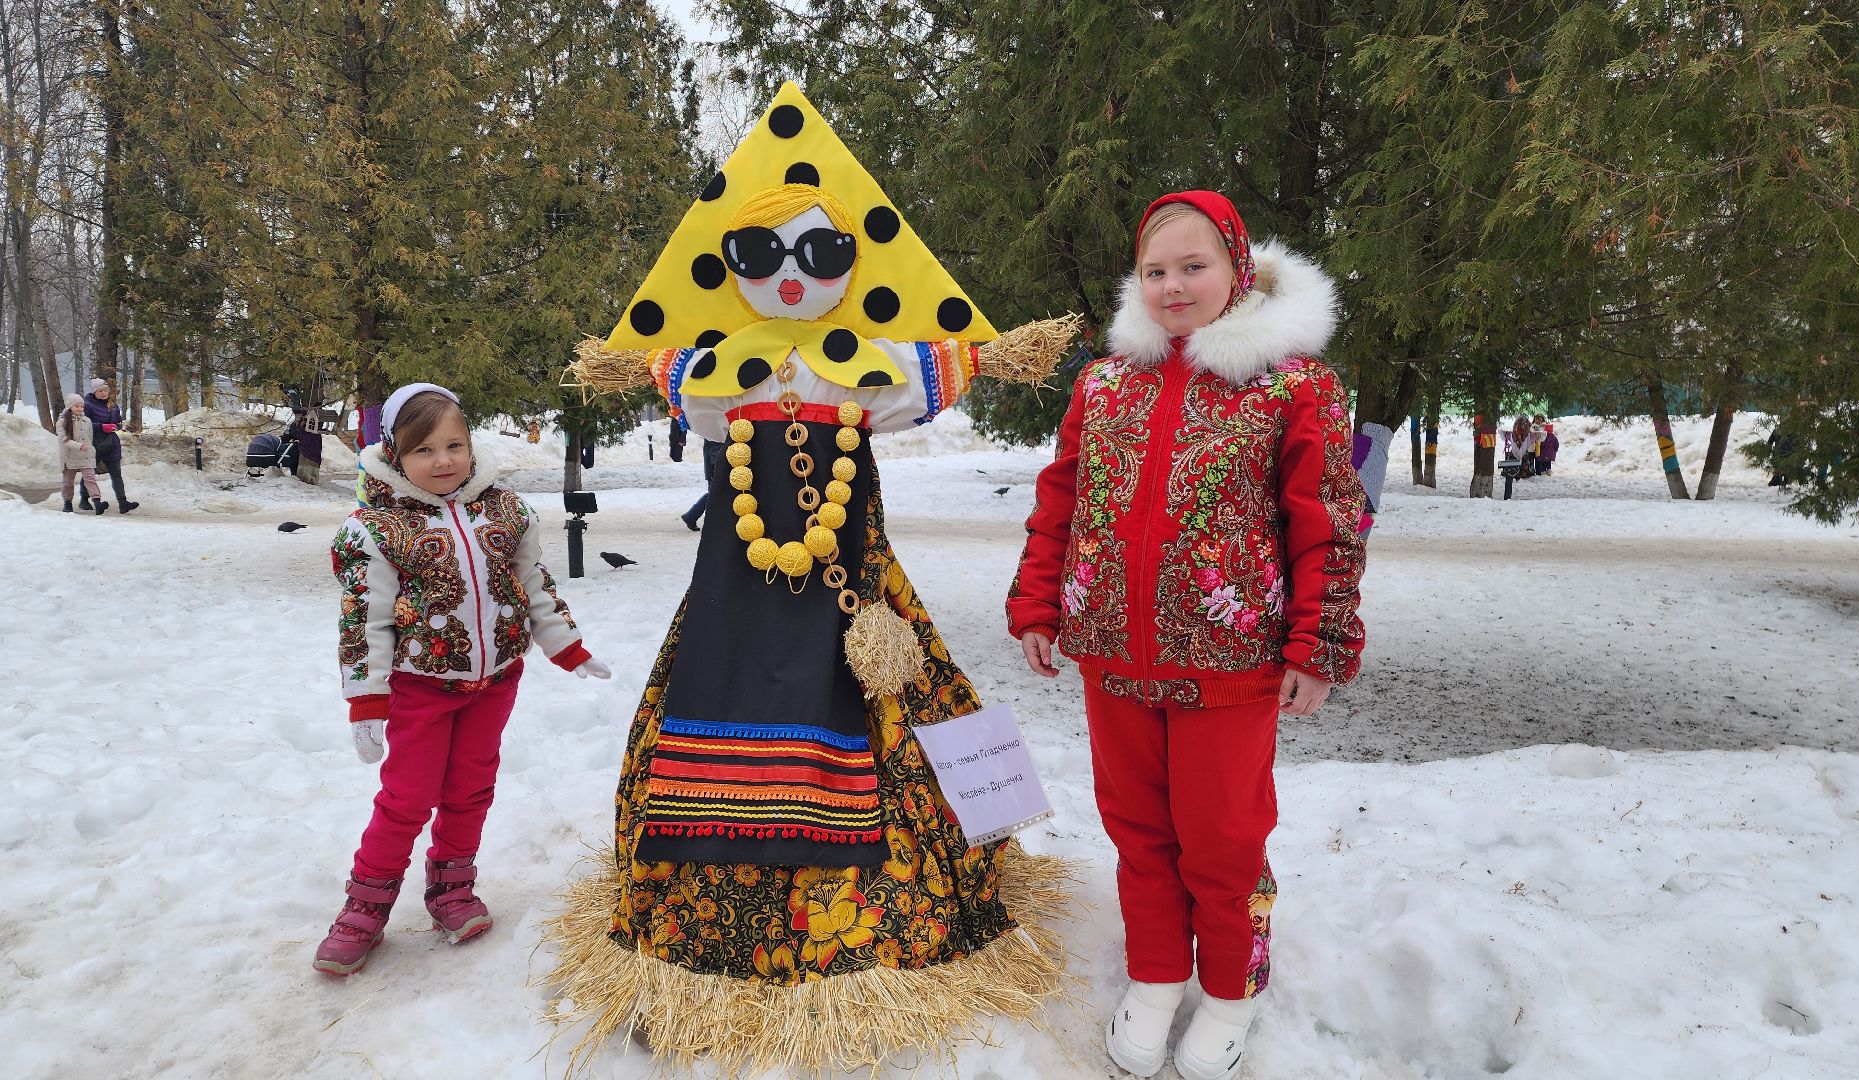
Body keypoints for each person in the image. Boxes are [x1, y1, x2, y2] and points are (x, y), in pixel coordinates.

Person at [547, 83, 1075, 1076]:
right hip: (732, 601)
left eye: (822, 254)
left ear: (849, 267)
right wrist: (619, 363)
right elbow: (655, 363)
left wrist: (1003, 352)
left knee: (883, 714)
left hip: (853, 595)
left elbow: (951, 359)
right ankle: (705, 951)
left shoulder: (865, 369)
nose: (791, 277)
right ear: (731, 267)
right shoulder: (716, 373)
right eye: (759, 255)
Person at [1007, 191, 1367, 1080]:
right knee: (1138, 830)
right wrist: (1040, 603)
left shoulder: (1293, 384)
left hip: (1232, 663)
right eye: (1155, 270)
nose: (1173, 286)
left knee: (1222, 837)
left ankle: (1231, 994)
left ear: (1238, 270)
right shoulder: (1105, 382)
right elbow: (1064, 500)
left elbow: (1329, 520)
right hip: (1115, 661)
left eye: (1193, 267)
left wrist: (1318, 644)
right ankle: (1158, 977)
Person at [315, 382, 613, 977]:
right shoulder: (374, 529)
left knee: (471, 788)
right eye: (424, 450)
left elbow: (534, 584)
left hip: (495, 682)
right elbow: (362, 621)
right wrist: (366, 701)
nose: (443, 460)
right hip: (419, 689)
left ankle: (451, 886)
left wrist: (567, 648)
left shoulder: (506, 511)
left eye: (454, 445)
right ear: (395, 454)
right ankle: (364, 907)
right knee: (408, 797)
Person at [81, 378, 138, 514]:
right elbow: (83, 424)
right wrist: (101, 427)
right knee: (90, 474)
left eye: (105, 390)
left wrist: (120, 425)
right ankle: (84, 500)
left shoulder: (112, 405)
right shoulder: (87, 405)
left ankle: (123, 503)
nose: (103, 393)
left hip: (111, 444)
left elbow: (117, 422)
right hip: (94, 443)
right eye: (100, 391)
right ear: (94, 392)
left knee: (116, 474)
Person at [57, 396, 106, 514]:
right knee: (68, 482)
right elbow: (63, 439)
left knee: (90, 479)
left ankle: (97, 501)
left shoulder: (87, 420)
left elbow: (90, 437)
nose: (80, 408)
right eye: (77, 406)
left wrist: (89, 448)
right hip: (69, 456)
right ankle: (67, 503)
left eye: (81, 406)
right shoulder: (63, 421)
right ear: (70, 407)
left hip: (86, 455)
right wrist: (78, 446)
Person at [669, 415, 708, 530]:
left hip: (713, 457)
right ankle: (692, 516)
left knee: (715, 492)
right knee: (716, 492)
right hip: (716, 459)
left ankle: (691, 516)